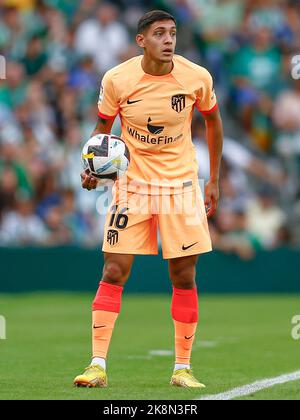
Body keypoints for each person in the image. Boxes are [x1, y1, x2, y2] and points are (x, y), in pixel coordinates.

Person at [74, 10, 223, 389]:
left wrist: (215, 179)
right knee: (113, 270)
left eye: (172, 33)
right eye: (159, 33)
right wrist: (92, 167)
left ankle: (182, 368)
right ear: (141, 41)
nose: (169, 39)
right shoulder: (117, 79)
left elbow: (213, 121)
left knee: (184, 274)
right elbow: (102, 129)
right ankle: (96, 365)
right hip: (132, 185)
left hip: (181, 187)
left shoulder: (196, 77)